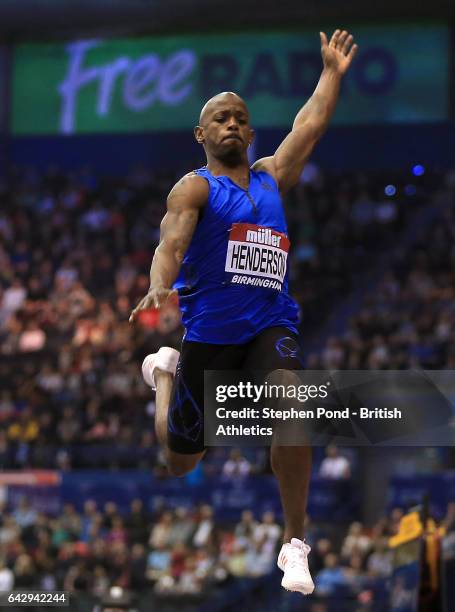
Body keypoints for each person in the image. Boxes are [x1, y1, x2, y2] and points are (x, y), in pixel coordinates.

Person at [130, 29, 358, 595]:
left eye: (240, 117)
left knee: (292, 403)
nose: (231, 124)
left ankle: (295, 544)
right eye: (220, 118)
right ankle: (164, 374)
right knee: (182, 460)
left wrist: (330, 73)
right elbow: (170, 245)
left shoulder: (271, 177)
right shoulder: (195, 188)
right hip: (210, 338)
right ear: (201, 134)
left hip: (270, 325)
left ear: (251, 132)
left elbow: (309, 124)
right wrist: (160, 284)